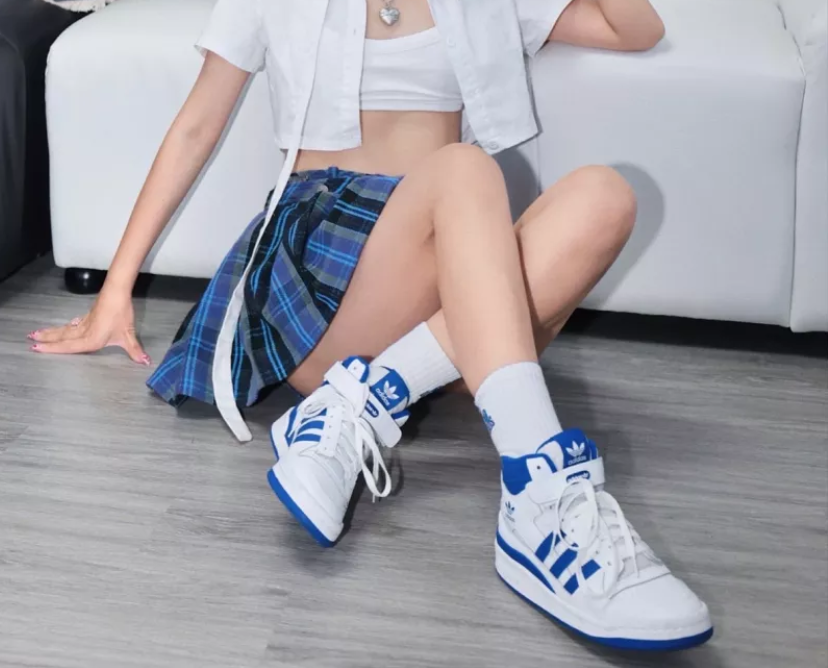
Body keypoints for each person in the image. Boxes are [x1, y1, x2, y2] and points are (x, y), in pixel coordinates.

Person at [29, 0, 713, 650]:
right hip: (320, 264)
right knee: (465, 169)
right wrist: (114, 291)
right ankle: (540, 493)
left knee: (604, 196)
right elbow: (195, 127)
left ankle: (369, 397)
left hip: (445, 278)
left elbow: (635, 28)